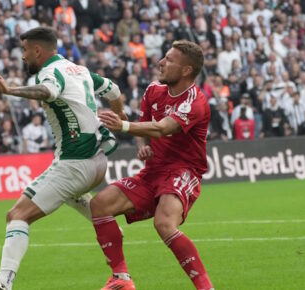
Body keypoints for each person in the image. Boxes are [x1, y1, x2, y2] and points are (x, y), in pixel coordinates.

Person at [0, 27, 127, 290]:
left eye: (25, 50)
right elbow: (114, 90)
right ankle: (108, 226)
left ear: (37, 50)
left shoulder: (49, 72)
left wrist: (8, 89)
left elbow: (47, 92)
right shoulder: (79, 69)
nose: (22, 57)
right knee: (70, 194)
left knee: (17, 214)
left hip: (75, 163)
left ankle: (3, 283)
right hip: (97, 160)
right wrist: (121, 119)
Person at [93, 40, 214, 290]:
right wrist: (141, 145)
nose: (161, 62)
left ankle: (205, 287)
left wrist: (123, 126)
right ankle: (121, 279)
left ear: (186, 71)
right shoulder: (152, 91)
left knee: (164, 223)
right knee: (100, 204)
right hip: (154, 171)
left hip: (183, 170)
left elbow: (162, 128)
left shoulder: (195, 101)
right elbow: (146, 126)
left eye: (169, 60)